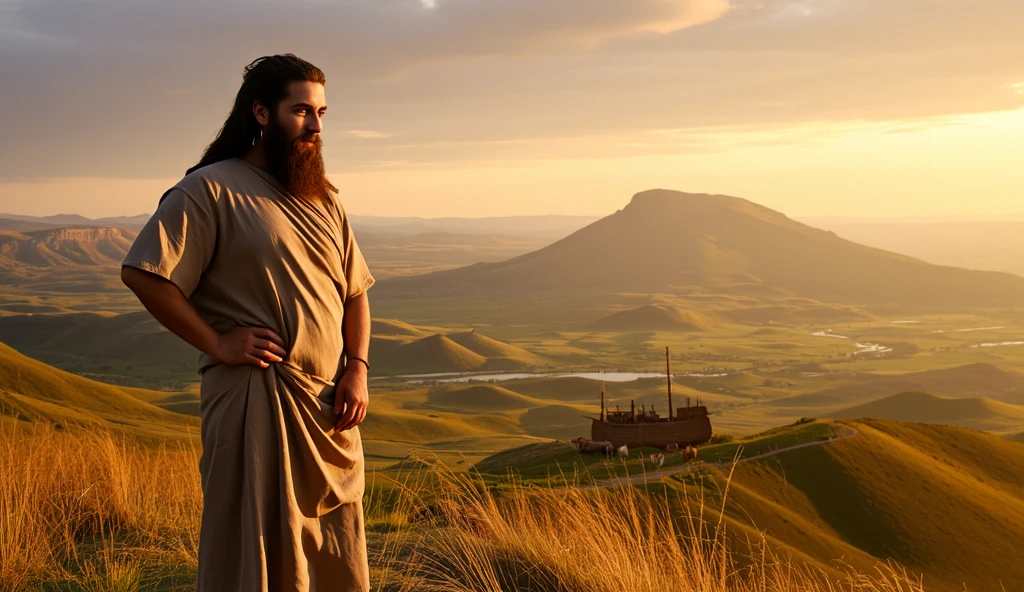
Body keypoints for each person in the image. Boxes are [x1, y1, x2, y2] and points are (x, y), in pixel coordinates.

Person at [120, 54, 374, 592]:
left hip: (326, 408)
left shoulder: (325, 198)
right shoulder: (209, 189)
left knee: (335, 552)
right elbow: (146, 275)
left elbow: (355, 292)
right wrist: (217, 342)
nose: (316, 125)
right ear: (261, 111)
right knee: (253, 552)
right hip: (256, 398)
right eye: (301, 110)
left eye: (322, 112)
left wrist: (357, 368)